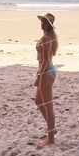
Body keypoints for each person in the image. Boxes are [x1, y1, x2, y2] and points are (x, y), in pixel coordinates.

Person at [34, 12, 58, 147]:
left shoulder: (46, 38)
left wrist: (39, 76)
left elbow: (46, 60)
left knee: (48, 107)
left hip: (46, 73)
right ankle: (52, 129)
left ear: (46, 24)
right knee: (38, 101)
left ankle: (51, 139)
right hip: (47, 72)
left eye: (42, 21)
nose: (40, 23)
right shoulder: (48, 37)